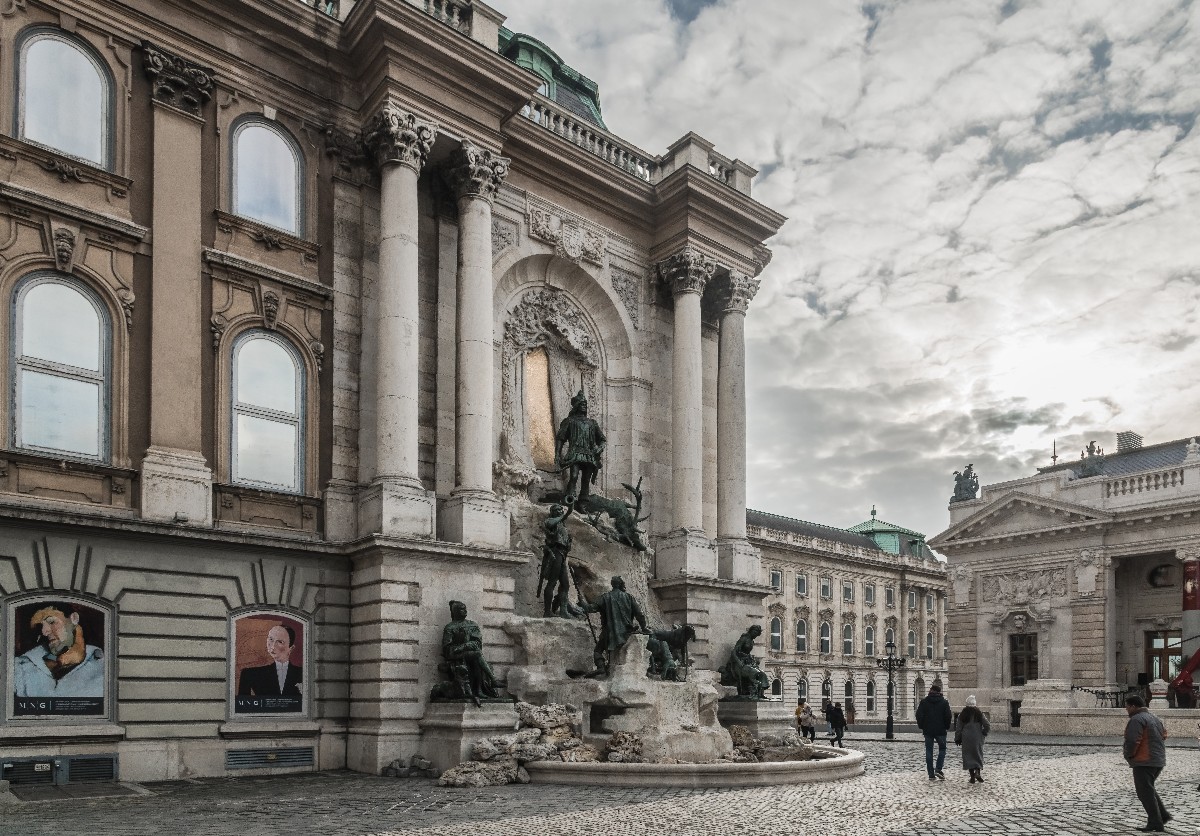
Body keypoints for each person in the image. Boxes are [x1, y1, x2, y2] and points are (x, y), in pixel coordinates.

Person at [13, 603, 104, 698]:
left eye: (51, 622)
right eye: (41, 626)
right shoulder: (21, 667)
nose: (44, 632)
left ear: (74, 618)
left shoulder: (102, 666)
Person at [579, 576, 648, 675]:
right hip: (626, 632)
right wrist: (644, 627)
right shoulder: (629, 597)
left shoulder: (605, 597)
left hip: (609, 633)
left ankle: (601, 667)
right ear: (621, 584)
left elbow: (590, 608)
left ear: (612, 584)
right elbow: (639, 614)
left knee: (598, 651)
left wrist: (582, 602)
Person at [1123, 694, 1171, 832]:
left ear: (1133, 706)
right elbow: (1164, 735)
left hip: (1144, 760)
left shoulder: (1136, 719)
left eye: (1127, 707)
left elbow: (1133, 740)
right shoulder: (1154, 718)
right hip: (1158, 760)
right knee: (1148, 789)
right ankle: (1162, 815)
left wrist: (1128, 755)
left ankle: (1155, 822)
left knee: (1144, 792)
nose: (1126, 710)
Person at [555, 388, 606, 508]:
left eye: (585, 405)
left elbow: (602, 439)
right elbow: (561, 438)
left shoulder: (592, 423)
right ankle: (570, 498)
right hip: (575, 454)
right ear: (577, 406)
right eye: (582, 404)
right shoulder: (569, 421)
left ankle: (583, 502)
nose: (584, 407)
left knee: (586, 480)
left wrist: (600, 448)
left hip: (589, 455)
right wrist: (557, 455)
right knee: (574, 476)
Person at [439, 600, 498, 704]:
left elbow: (478, 643)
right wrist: (464, 646)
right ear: (455, 611)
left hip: (472, 654)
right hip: (456, 656)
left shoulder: (472, 625)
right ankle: (491, 681)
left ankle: (479, 690)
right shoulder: (450, 627)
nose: (465, 611)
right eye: (462, 609)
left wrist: (471, 644)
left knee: (476, 656)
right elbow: (447, 649)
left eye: (465, 608)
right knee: (477, 655)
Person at [238, 624, 303, 699]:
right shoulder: (250, 674)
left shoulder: (303, 674)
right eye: (271, 639)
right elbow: (242, 703)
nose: (272, 647)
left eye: (280, 642)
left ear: (291, 648)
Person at [539, 501, 574, 618]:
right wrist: (566, 513)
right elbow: (551, 524)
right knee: (552, 582)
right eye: (557, 510)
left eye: (560, 509)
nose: (559, 511)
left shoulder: (562, 524)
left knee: (565, 584)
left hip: (562, 553)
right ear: (552, 512)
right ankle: (547, 611)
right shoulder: (550, 521)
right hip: (555, 552)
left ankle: (563, 610)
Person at [717, 626, 771, 698]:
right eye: (755, 632)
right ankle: (752, 693)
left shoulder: (751, 641)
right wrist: (739, 662)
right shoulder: (744, 639)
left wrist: (752, 659)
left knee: (762, 674)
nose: (755, 635)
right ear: (751, 631)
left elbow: (747, 653)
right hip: (739, 662)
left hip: (748, 662)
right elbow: (733, 652)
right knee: (753, 672)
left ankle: (760, 694)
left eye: (757, 634)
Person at [916, 682, 952, 780]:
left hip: (928, 730)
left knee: (929, 751)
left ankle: (931, 774)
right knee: (942, 749)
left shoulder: (924, 702)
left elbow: (919, 715)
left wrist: (922, 726)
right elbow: (948, 716)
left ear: (930, 691)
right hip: (941, 730)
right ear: (939, 692)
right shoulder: (944, 702)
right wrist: (946, 726)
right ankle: (938, 769)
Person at [954, 694, 990, 783]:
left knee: (968, 756)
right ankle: (977, 771)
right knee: (978, 754)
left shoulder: (962, 715)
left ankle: (972, 777)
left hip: (966, 738)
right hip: (977, 737)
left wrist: (957, 738)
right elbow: (987, 724)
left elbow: (958, 728)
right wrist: (984, 732)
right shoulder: (979, 714)